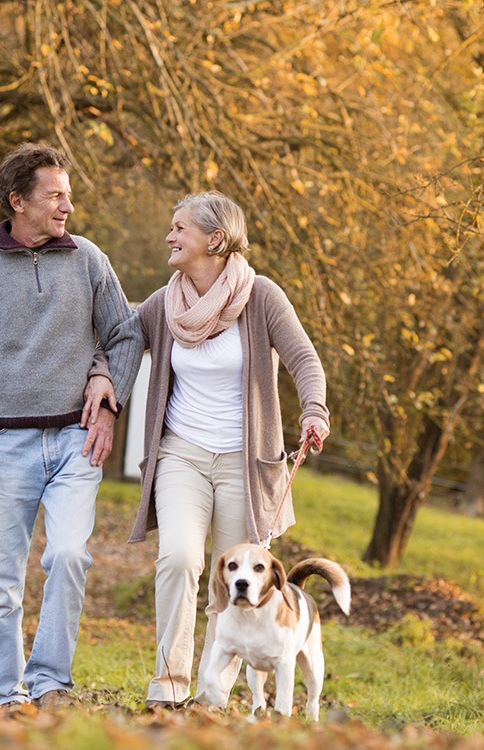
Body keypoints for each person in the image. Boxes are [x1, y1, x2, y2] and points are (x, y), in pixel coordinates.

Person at [0, 142, 144, 712]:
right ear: (17, 201)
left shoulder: (91, 260)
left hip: (77, 439)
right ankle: (1, 693)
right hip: (2, 445)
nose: (67, 205)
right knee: (0, 578)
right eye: (55, 195)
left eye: (69, 195)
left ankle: (50, 683)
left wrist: (109, 392)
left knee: (69, 555)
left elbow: (125, 335)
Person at [100, 190, 330, 709]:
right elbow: (121, 345)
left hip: (244, 465)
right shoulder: (164, 303)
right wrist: (100, 381)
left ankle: (213, 692)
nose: (170, 236)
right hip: (181, 453)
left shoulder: (262, 297)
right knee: (179, 558)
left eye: (180, 228)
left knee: (229, 589)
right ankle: (169, 684)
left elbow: (305, 360)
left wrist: (314, 409)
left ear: (216, 240)